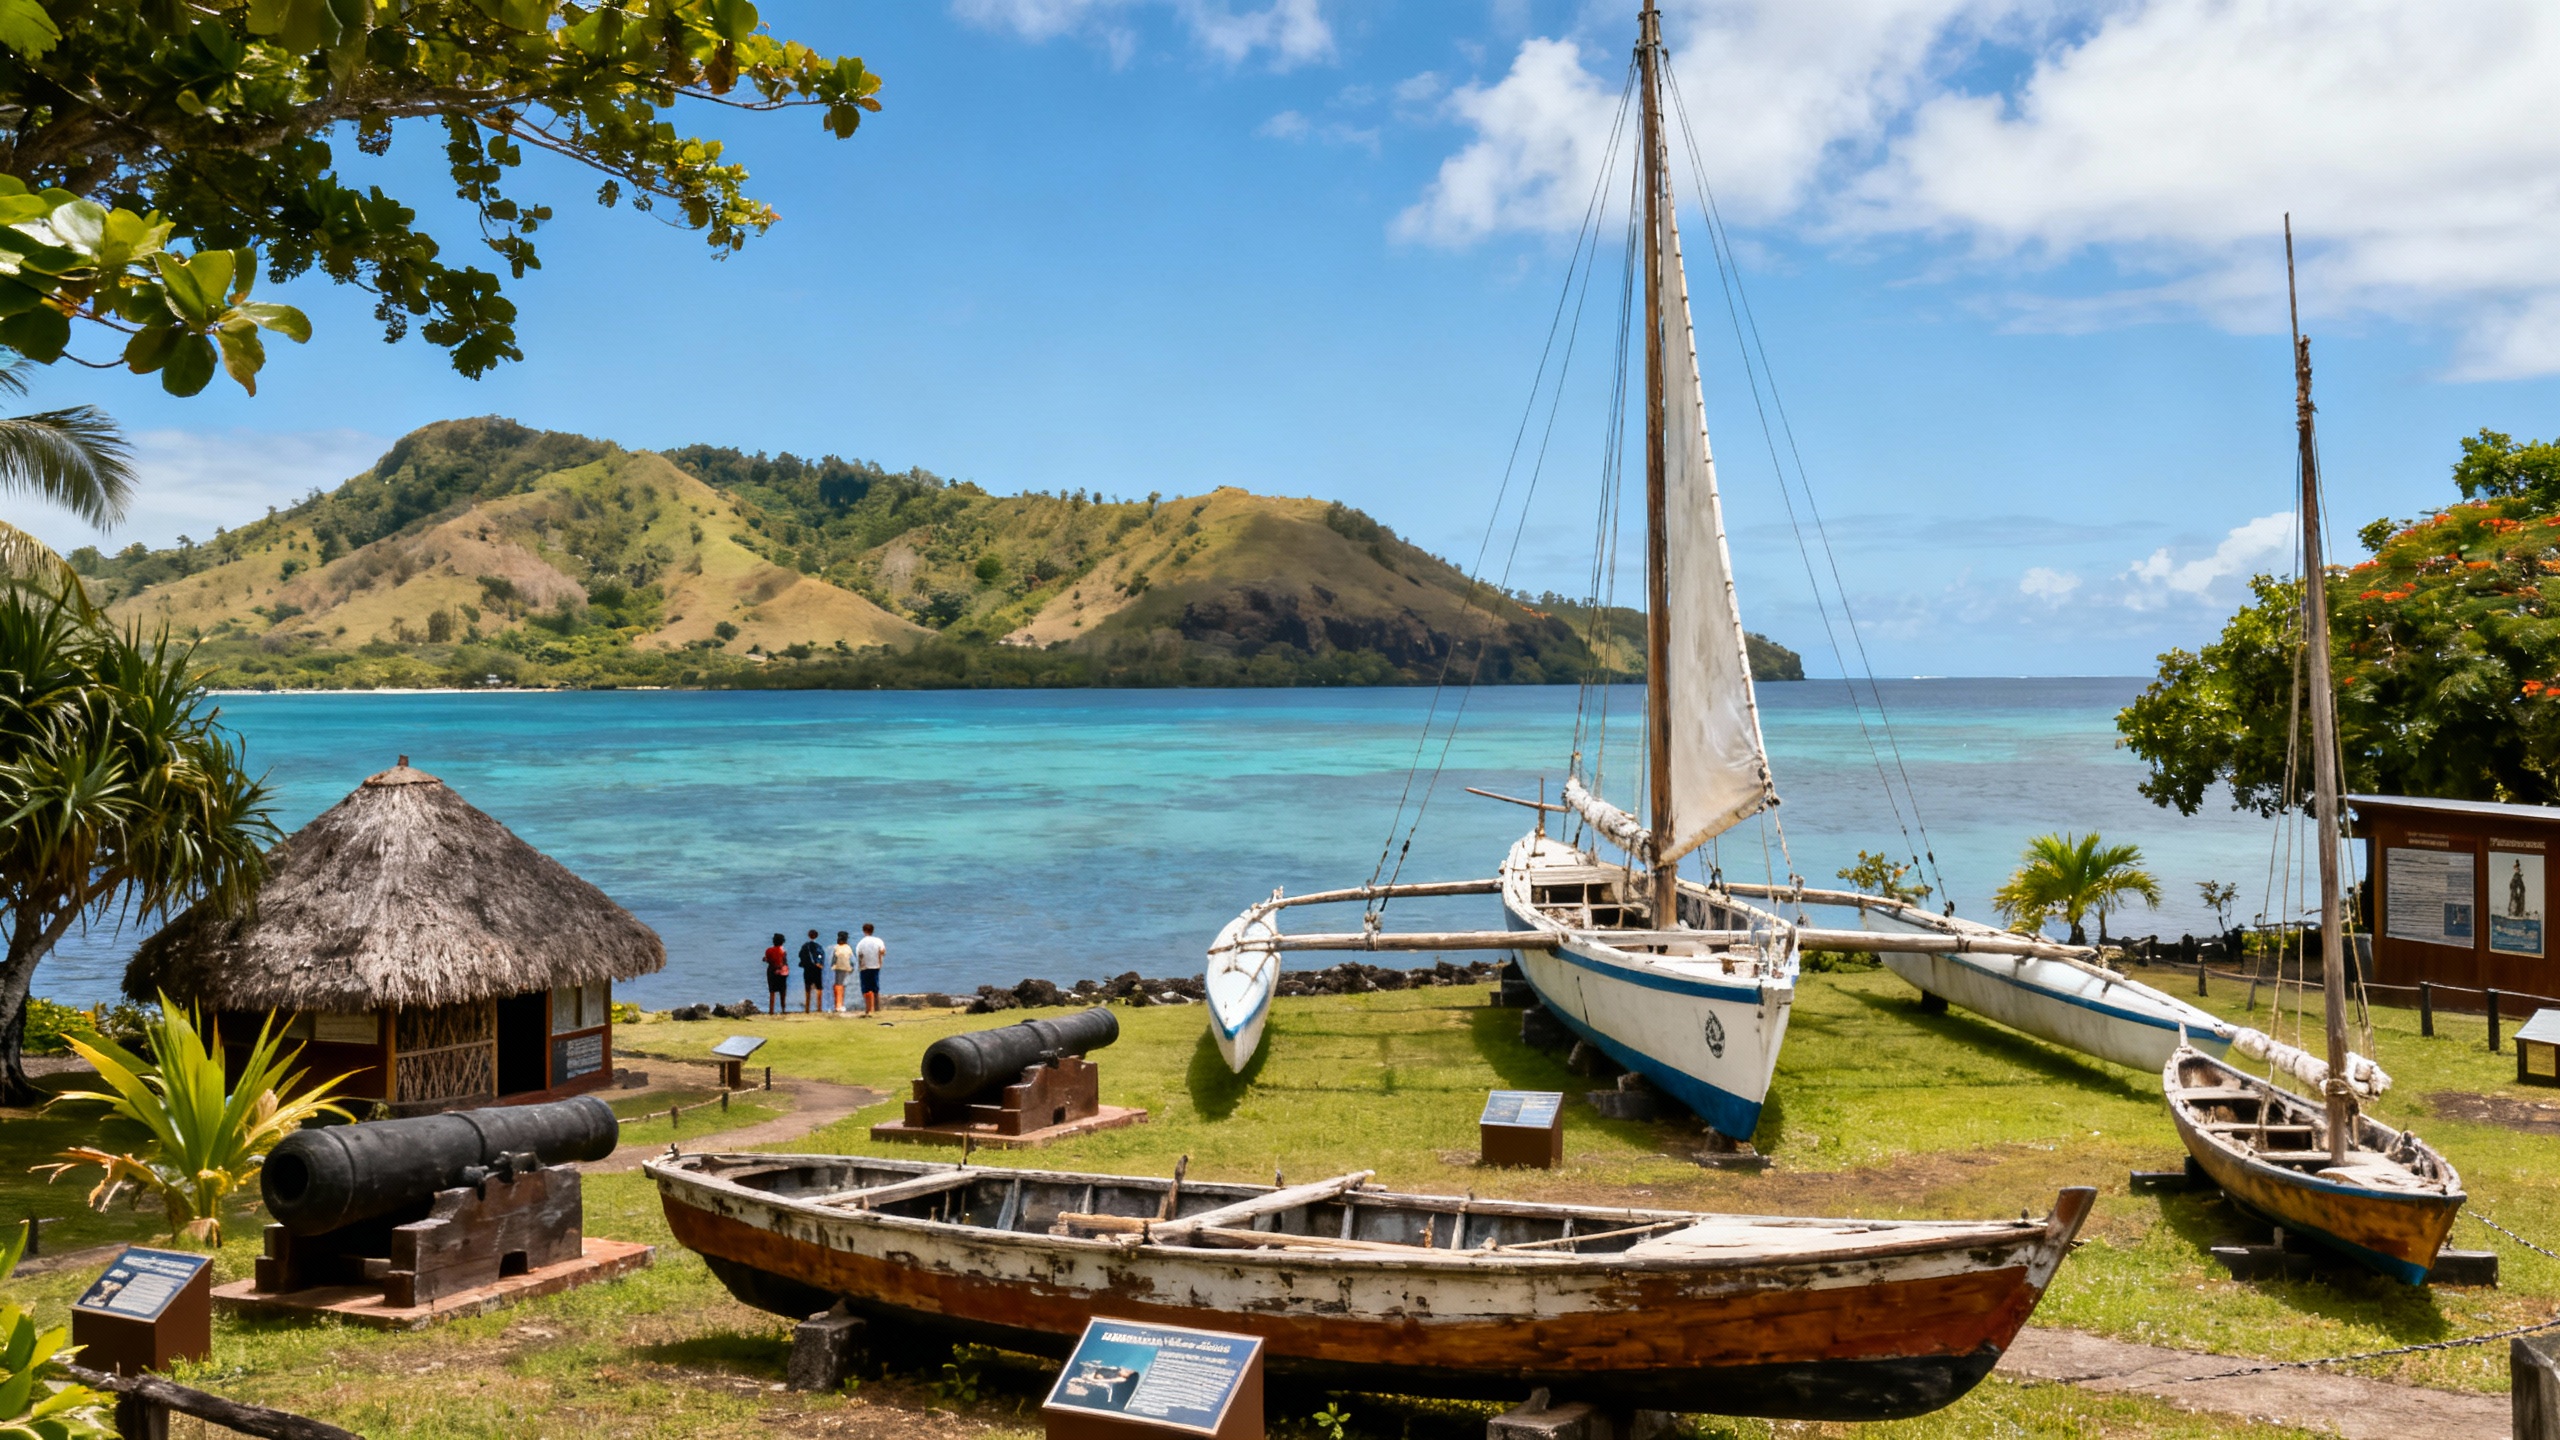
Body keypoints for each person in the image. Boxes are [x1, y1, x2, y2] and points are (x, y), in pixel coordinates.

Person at [855, 922, 887, 1015]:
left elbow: (859, 955)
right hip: (876, 966)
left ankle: (868, 1008)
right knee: (875, 987)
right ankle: (876, 1007)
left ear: (864, 931)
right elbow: (883, 952)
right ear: (872, 931)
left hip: (865, 967)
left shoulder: (861, 943)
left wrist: (860, 966)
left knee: (865, 988)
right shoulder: (878, 941)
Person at [797, 929, 826, 1013]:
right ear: (816, 936)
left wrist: (805, 963)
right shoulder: (818, 946)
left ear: (808, 935)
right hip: (816, 968)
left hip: (807, 968)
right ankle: (819, 1008)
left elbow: (800, 955)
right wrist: (820, 963)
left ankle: (807, 1008)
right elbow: (821, 955)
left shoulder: (805, 946)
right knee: (819, 987)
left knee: (807, 987)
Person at [762, 933, 789, 1015]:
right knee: (782, 991)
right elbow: (784, 962)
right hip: (781, 972)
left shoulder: (768, 950)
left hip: (771, 971)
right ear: (782, 942)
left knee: (772, 991)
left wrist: (765, 959)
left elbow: (768, 960)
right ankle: (783, 1009)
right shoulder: (783, 951)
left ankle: (771, 1010)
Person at [830, 930, 855, 1015]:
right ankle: (840, 1005)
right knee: (842, 986)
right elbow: (852, 961)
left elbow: (833, 960)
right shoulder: (848, 948)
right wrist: (852, 968)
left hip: (838, 968)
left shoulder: (836, 947)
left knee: (837, 985)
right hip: (847, 969)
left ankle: (837, 1005)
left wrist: (831, 967)